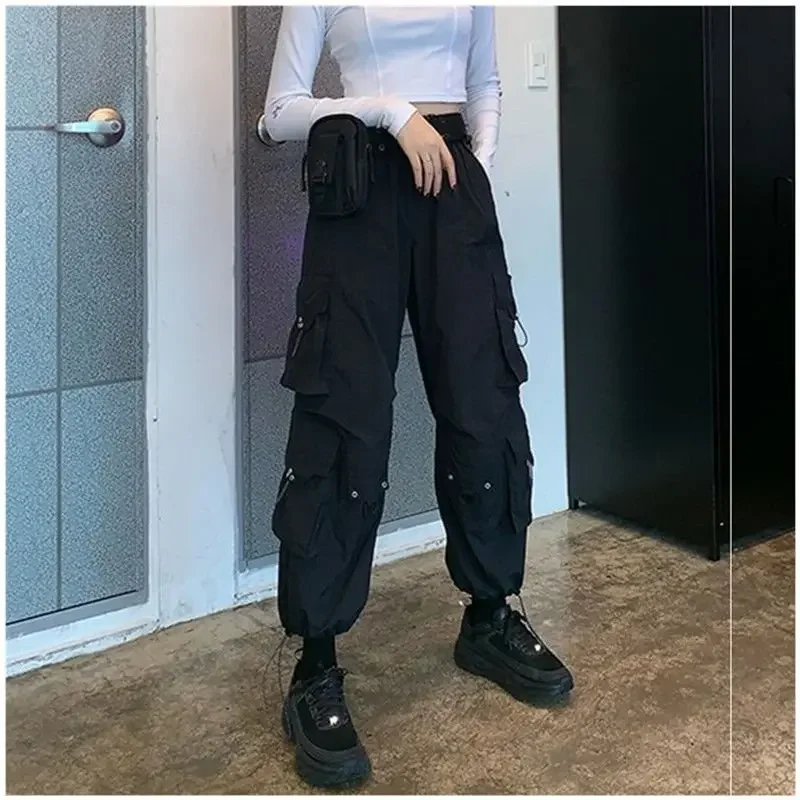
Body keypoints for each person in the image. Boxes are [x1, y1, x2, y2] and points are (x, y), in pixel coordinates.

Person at [264, 5, 574, 788]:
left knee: (484, 397)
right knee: (344, 413)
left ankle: (490, 616)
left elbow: (484, 83)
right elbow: (278, 113)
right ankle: (315, 665)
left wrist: (476, 168)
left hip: (453, 185)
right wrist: (391, 113)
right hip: (357, 189)